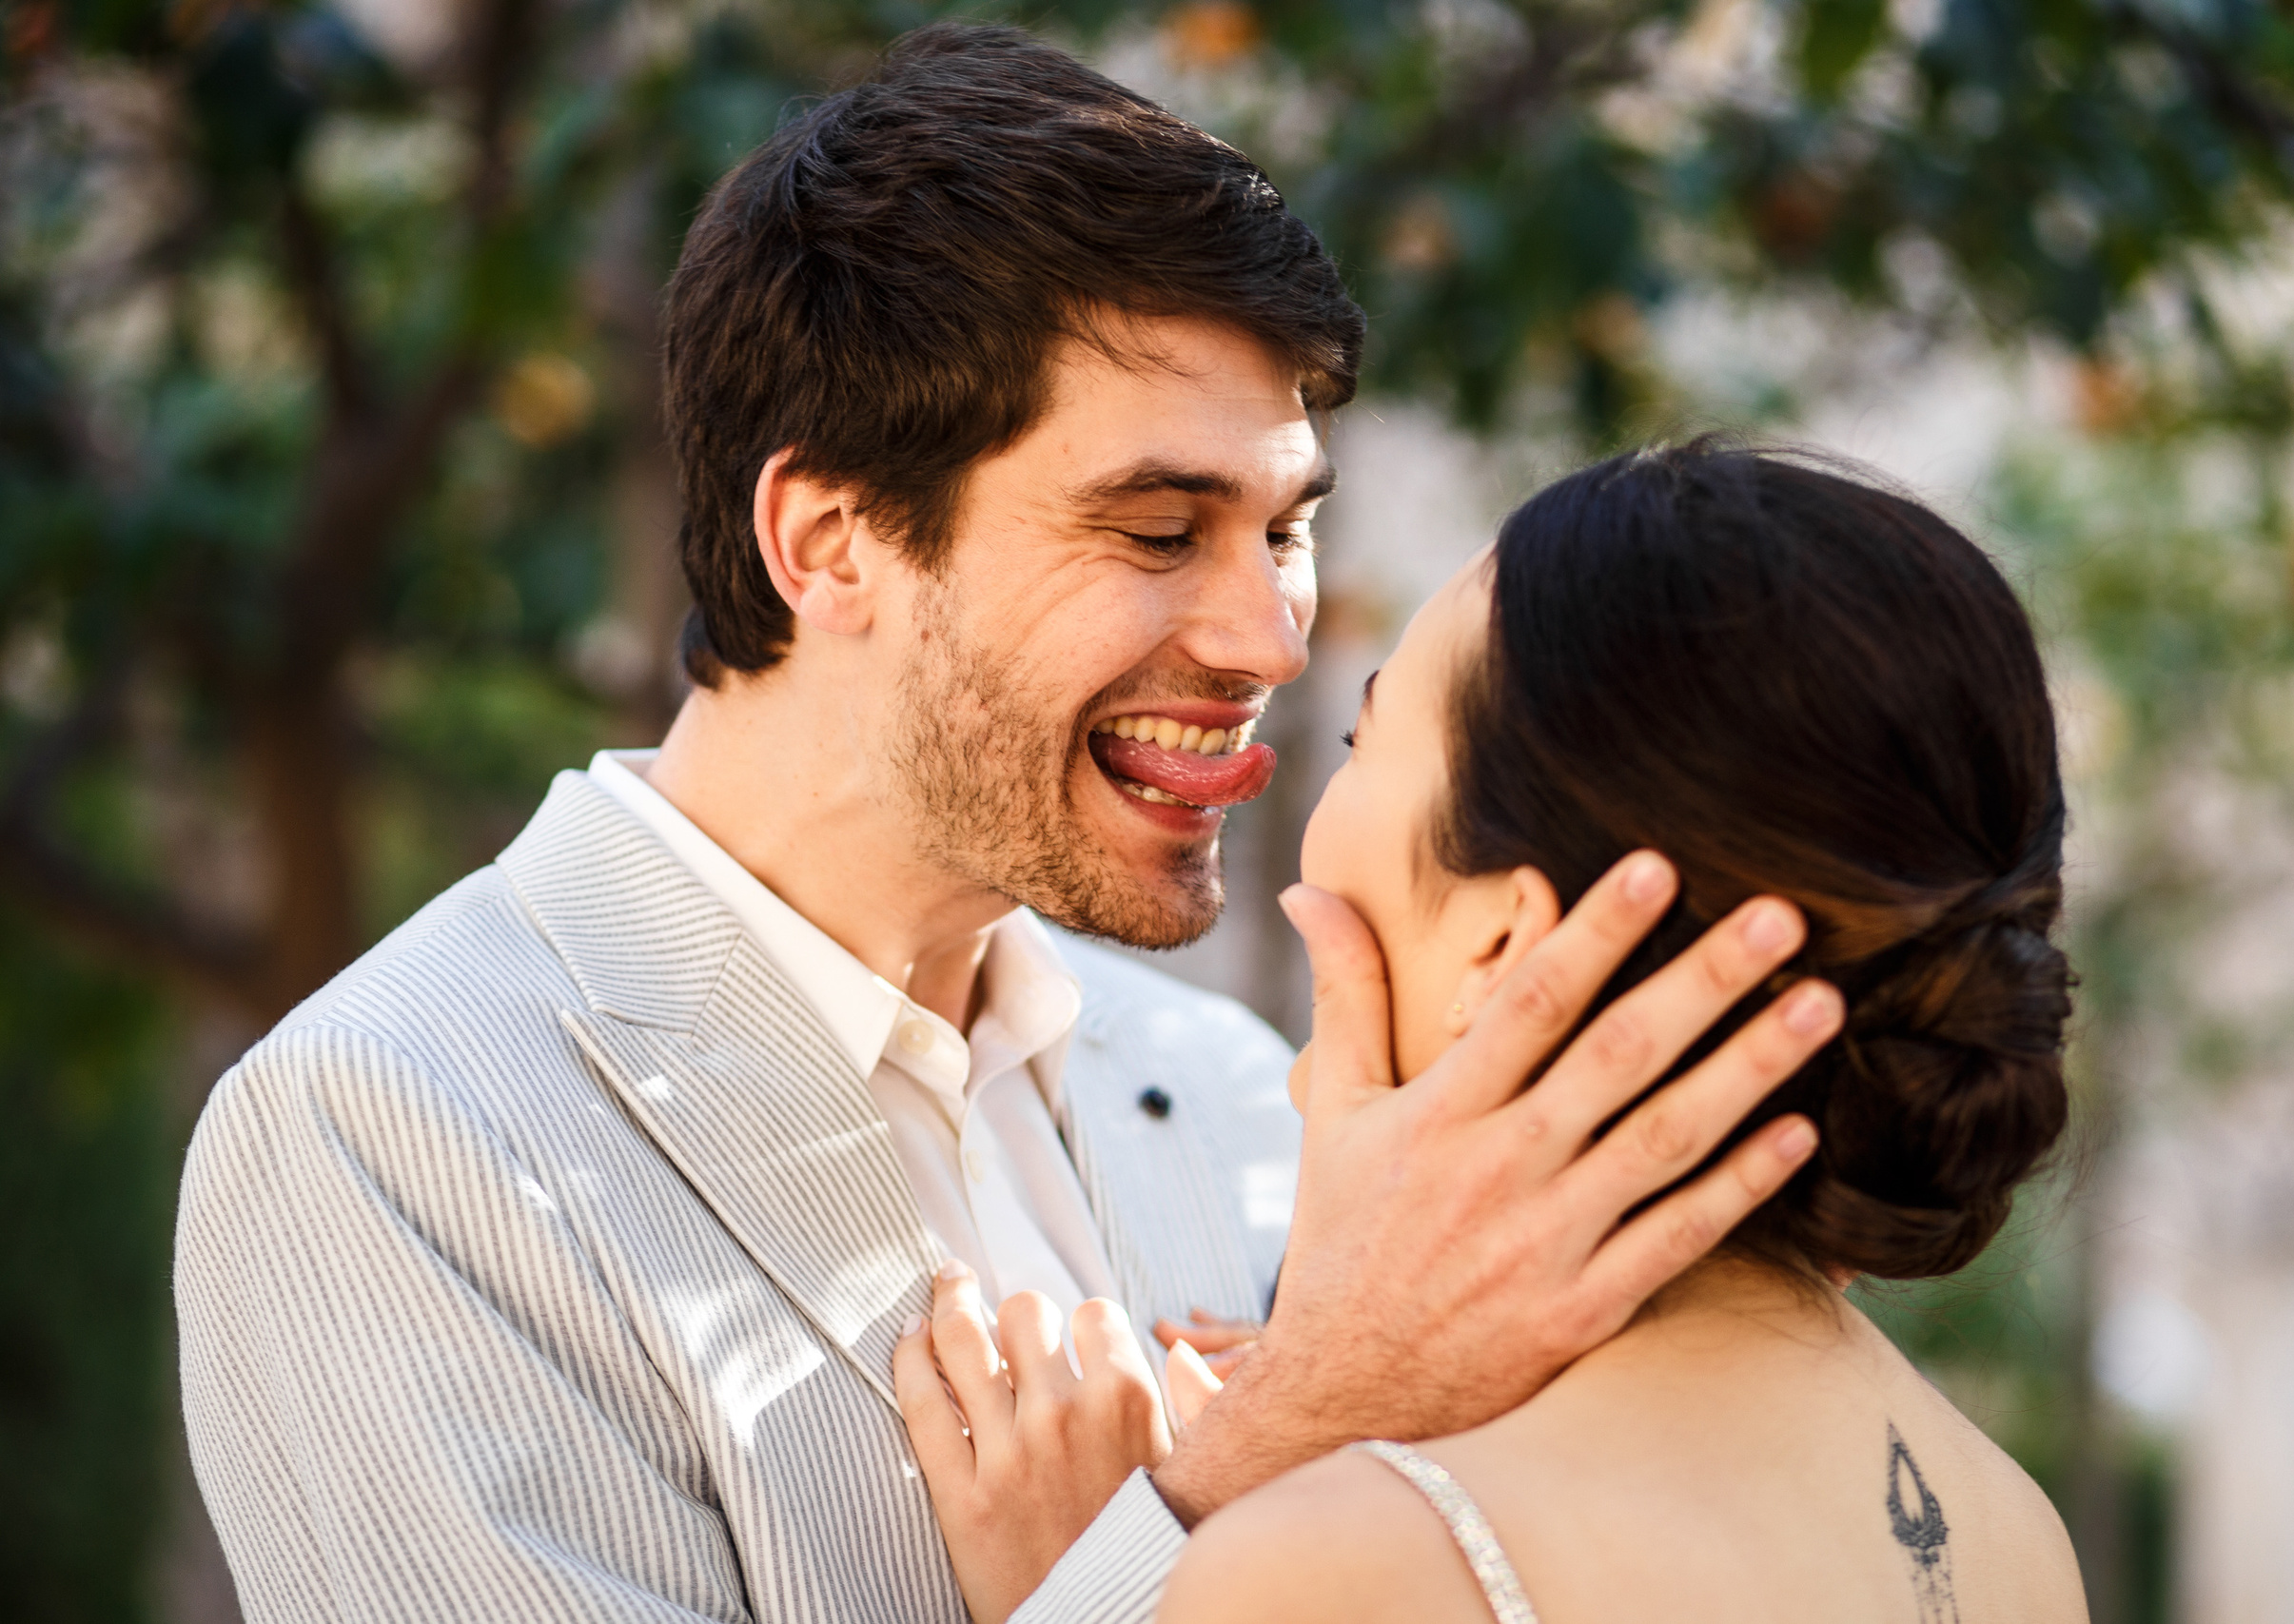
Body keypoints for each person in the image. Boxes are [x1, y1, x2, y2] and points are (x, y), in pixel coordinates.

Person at [172, 28, 1842, 1624]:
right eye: (1162, 526)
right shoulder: (382, 1133)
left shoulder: (1247, 1096)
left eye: (1282, 527)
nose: (1272, 638)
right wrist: (1234, 1482)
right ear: (829, 542)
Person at [900, 442, 2089, 1623]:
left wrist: (1088, 1591)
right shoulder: (2011, 1530)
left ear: (1504, 945)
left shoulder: (1345, 1566)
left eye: (1367, 746)